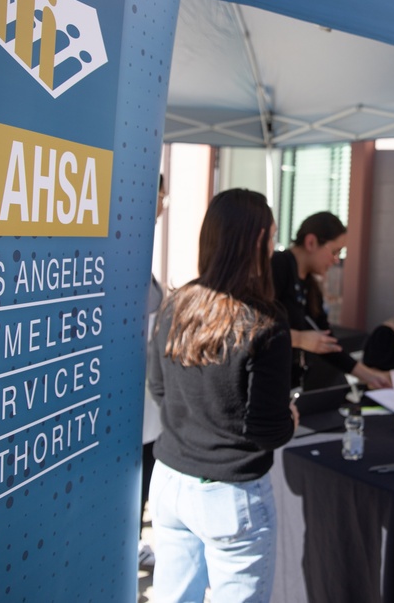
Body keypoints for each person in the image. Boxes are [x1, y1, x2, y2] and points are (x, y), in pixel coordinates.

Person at [146, 188, 298, 603]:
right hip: (231, 495)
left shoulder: (177, 305)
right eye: (271, 236)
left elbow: (159, 387)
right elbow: (269, 430)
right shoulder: (266, 323)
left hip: (170, 484)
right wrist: (291, 420)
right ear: (258, 242)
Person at [271, 211, 391, 389]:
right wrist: (300, 339)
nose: (336, 260)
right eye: (335, 252)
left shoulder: (310, 285)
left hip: (291, 382)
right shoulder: (277, 267)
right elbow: (258, 329)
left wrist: (369, 375)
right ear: (311, 242)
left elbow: (327, 342)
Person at [138, 174, 167, 571]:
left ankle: (131, 544)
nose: (162, 205)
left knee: (139, 482)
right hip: (130, 400)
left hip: (146, 404)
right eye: (162, 194)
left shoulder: (141, 244)